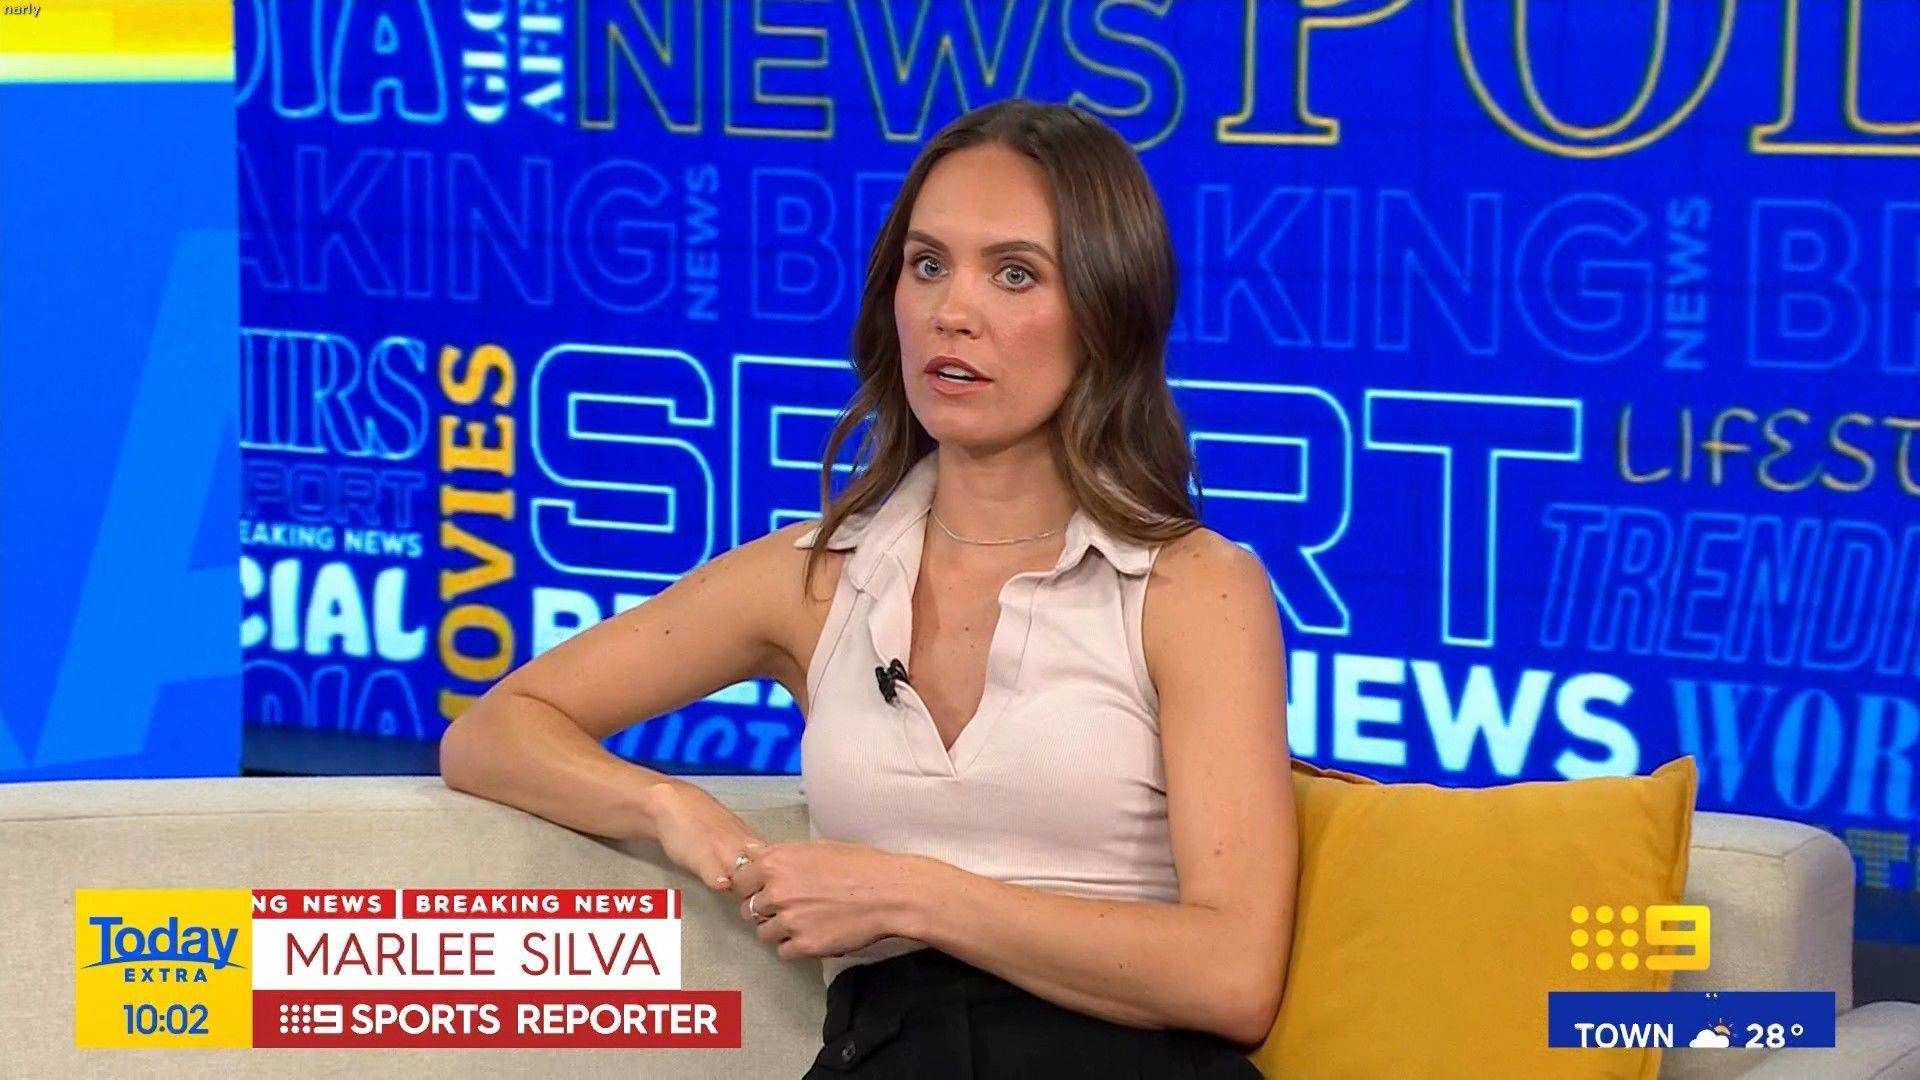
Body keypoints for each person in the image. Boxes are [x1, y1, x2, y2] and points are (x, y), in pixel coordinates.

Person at [440, 97, 1297, 1078]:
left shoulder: (1192, 588)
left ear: (1107, 312)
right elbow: (494, 732)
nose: (951, 311)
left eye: (1014, 273)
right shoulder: (816, 577)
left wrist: (912, 896)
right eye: (927, 265)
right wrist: (670, 808)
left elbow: (1234, 976)